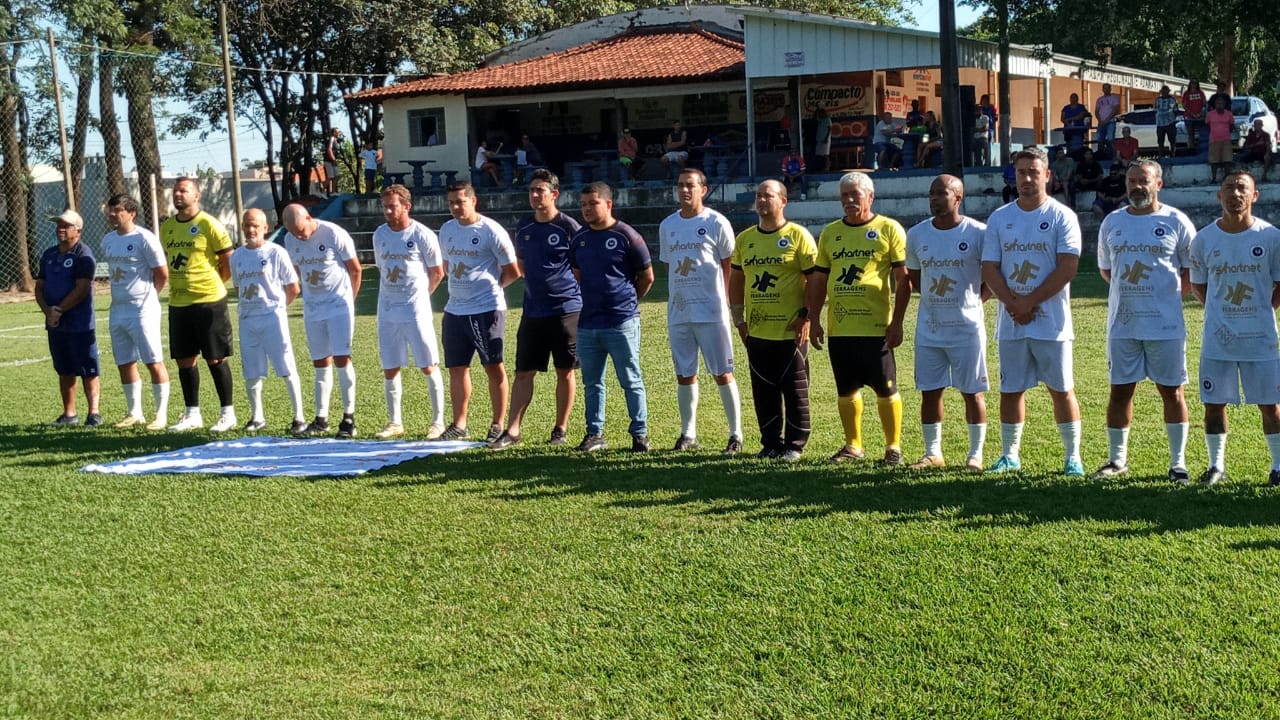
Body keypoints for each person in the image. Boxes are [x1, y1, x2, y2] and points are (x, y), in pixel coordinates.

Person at [981, 146, 1085, 475]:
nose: (1026, 179)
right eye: (1021, 172)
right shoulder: (1000, 218)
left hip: (1051, 322)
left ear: (1047, 175)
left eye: (1033, 172)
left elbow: (1067, 267)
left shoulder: (1062, 216)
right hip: (1012, 321)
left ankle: (1072, 457)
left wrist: (1030, 302)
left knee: (1061, 389)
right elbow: (989, 268)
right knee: (1011, 389)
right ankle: (1009, 455)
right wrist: (1013, 304)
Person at [1092, 160, 1195, 482]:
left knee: (1172, 392)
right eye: (1132, 181)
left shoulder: (1176, 221)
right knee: (1120, 391)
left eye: (1144, 181)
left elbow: (1191, 270)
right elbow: (1106, 269)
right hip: (1123, 325)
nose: (1137, 187)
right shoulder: (1112, 222)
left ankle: (1178, 464)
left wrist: (1167, 299)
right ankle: (1117, 460)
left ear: (1158, 184)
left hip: (1165, 326)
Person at [806, 172, 909, 465]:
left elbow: (903, 280)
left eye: (855, 194)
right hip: (841, 328)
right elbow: (818, 280)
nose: (849, 200)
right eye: (844, 195)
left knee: (886, 388)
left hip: (877, 328)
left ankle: (893, 448)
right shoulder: (830, 233)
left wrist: (897, 322)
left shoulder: (888, 228)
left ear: (870, 196)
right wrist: (814, 318)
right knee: (846, 389)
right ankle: (853, 445)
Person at [1189, 171, 1280, 486]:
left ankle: (1278, 467)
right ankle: (1216, 466)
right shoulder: (1204, 239)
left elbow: (1279, 285)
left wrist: (1260, 311)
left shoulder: (1271, 237)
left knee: (1271, 405)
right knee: (1214, 404)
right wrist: (1221, 312)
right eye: (1228, 187)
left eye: (1242, 188)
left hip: (1260, 339)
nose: (1235, 193)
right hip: (1218, 339)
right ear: (1219, 196)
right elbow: (1198, 286)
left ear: (1254, 195)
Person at [489, 169, 581, 450]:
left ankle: (560, 429)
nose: (534, 195)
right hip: (533, 311)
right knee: (523, 371)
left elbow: (581, 266)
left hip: (566, 310)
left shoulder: (568, 227)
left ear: (554, 194)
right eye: (531, 190)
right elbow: (521, 265)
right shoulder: (524, 227)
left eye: (540, 190)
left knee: (565, 371)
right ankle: (513, 429)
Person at [904, 175, 989, 470]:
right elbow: (915, 278)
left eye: (941, 193)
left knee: (972, 392)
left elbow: (992, 277)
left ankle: (975, 454)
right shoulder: (917, 234)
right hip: (929, 329)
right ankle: (932, 453)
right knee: (930, 391)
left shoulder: (978, 233)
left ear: (958, 197)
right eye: (932, 194)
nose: (935, 199)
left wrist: (972, 303)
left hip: (967, 329)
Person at [729, 180, 817, 461]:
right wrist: (739, 320)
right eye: (759, 196)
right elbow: (736, 280)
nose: (761, 200)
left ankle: (794, 445)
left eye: (768, 195)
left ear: (783, 201)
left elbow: (814, 281)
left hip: (790, 331)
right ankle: (769, 443)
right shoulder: (745, 239)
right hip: (757, 330)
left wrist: (806, 316)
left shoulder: (798, 236)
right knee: (763, 391)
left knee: (795, 391)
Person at [658, 168, 743, 454]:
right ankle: (688, 433)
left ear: (703, 190)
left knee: (723, 372)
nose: (684, 190)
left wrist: (726, 301)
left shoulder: (716, 222)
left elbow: (730, 266)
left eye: (690, 185)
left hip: (711, 312)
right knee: (684, 374)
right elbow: (669, 266)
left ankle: (735, 435)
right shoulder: (668, 225)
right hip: (679, 313)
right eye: (680, 185)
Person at [569, 182, 654, 452]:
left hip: (621, 322)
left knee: (631, 379)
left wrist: (627, 302)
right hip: (588, 324)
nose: (587, 209)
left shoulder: (627, 235)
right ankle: (595, 433)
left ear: (608, 204)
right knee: (592, 383)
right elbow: (578, 275)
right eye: (583, 204)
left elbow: (647, 276)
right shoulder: (579, 239)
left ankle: (640, 434)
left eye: (593, 203)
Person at [438, 181, 521, 443]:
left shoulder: (490, 230)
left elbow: (513, 271)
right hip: (454, 309)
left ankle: (498, 424)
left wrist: (489, 289)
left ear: (473, 201)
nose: (455, 207)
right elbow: (448, 265)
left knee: (493, 366)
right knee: (457, 367)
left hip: (486, 309)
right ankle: (459, 424)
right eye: (451, 202)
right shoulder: (447, 229)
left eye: (460, 202)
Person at [160, 177, 237, 432]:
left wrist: (213, 283)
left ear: (196, 195)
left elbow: (227, 260)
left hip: (209, 301)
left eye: (184, 190)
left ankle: (227, 413)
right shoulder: (168, 227)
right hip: (178, 302)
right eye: (175, 191)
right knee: (184, 359)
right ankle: (192, 413)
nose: (178, 194)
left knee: (215, 358)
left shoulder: (208, 224)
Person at [372, 184, 447, 439]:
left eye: (392, 206)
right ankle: (395, 422)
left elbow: (437, 272)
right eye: (385, 206)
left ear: (406, 206)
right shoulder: (379, 234)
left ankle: (438, 422)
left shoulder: (422, 234)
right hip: (387, 311)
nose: (388, 211)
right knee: (390, 366)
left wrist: (421, 297)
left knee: (428, 364)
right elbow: (382, 268)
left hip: (415, 311)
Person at [282, 203, 362, 438]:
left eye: (301, 230)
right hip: (313, 308)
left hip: (338, 306)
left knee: (342, 359)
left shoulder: (333, 233)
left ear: (309, 217)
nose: (300, 236)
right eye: (294, 232)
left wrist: (348, 302)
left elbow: (355, 270)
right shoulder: (290, 239)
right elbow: (296, 271)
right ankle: (321, 418)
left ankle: (348, 418)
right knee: (320, 362)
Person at [230, 209, 306, 434]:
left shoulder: (276, 252)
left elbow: (293, 287)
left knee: (286, 366)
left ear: (265, 227)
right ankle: (257, 416)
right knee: (251, 370)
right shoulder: (237, 256)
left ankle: (299, 417)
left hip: (272, 318)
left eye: (255, 225)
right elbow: (238, 288)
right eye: (246, 225)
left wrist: (277, 308)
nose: (250, 230)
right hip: (248, 319)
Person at [99, 194, 170, 429]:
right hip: (117, 309)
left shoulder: (144, 238)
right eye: (111, 210)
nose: (112, 214)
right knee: (125, 361)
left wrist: (149, 297)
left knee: (153, 360)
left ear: (132, 213)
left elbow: (162, 274)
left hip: (142, 309)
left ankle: (160, 414)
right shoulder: (108, 240)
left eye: (118, 210)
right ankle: (134, 413)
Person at [36, 210, 101, 427]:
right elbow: (39, 287)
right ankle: (69, 414)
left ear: (78, 230)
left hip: (80, 323)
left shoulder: (83, 255)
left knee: (88, 369)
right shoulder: (49, 254)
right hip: (55, 323)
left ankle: (93, 413)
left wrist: (59, 310)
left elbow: (82, 289)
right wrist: (48, 311)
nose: (60, 229)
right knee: (64, 369)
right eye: (59, 225)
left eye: (66, 226)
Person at [1206, 95, 1234, 183]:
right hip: (1214, 140)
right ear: (1215, 104)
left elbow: (1231, 126)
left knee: (1227, 159)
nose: (1219, 105)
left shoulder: (1229, 114)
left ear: (1224, 104)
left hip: (1226, 139)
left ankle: (1227, 178)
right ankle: (1214, 178)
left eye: (1221, 103)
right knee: (1214, 160)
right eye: (1218, 103)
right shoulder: (1210, 114)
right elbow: (1207, 126)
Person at [1094, 83, 1121, 152]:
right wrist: (1100, 120)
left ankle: (1112, 155)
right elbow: (1096, 111)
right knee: (1100, 139)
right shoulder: (1099, 99)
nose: (1106, 89)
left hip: (1110, 122)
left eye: (1108, 88)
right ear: (1102, 89)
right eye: (1105, 88)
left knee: (1110, 139)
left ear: (1110, 89)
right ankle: (1100, 155)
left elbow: (1116, 110)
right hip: (1101, 122)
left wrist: (1107, 119)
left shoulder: (1114, 98)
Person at [1154, 85, 1179, 157]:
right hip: (1160, 123)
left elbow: (1175, 110)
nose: (1164, 93)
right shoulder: (1157, 99)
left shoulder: (1172, 99)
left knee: (1172, 140)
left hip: (1170, 122)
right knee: (1160, 141)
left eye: (1166, 91)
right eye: (1163, 91)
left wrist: (1172, 118)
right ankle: (1161, 155)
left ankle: (1173, 154)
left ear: (1168, 92)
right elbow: (1155, 109)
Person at [1182, 80, 1206, 153]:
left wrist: (1200, 113)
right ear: (1190, 84)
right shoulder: (1186, 93)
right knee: (1190, 133)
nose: (1193, 84)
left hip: (1200, 116)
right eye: (1192, 83)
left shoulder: (1200, 92)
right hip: (1189, 116)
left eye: (1195, 83)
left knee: (1202, 132)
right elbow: (1184, 105)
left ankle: (1201, 147)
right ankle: (1191, 148)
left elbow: (1204, 104)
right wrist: (1192, 114)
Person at [814, 108, 832, 172]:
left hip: (825, 139)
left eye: (820, 113)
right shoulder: (820, 120)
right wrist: (816, 111)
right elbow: (815, 118)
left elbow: (829, 129)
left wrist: (826, 138)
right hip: (819, 139)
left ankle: (827, 167)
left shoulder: (827, 119)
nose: (819, 114)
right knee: (819, 154)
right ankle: (821, 167)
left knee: (826, 154)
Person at [324, 127, 341, 196]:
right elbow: (329, 149)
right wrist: (333, 159)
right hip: (328, 161)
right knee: (330, 176)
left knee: (337, 176)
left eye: (339, 132)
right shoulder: (332, 138)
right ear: (334, 133)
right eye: (337, 132)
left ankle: (333, 192)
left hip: (333, 161)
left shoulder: (336, 140)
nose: (339, 133)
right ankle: (322, 192)